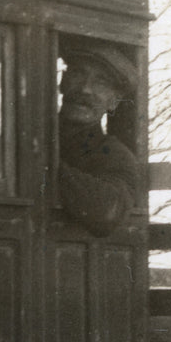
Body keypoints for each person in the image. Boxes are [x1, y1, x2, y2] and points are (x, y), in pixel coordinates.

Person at [58, 42, 139, 237]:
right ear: (63, 81)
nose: (85, 89)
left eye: (100, 83)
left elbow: (108, 212)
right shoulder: (33, 134)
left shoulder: (115, 155)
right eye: (78, 74)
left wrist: (41, 164)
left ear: (113, 101)